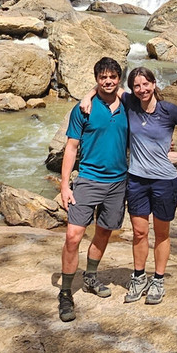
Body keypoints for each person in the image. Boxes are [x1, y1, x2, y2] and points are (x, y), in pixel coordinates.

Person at [81, 66, 177, 305]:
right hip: (137, 180)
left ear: (153, 84)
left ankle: (158, 279)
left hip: (164, 181)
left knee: (161, 234)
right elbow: (107, 86)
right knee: (139, 233)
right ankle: (139, 277)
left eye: (145, 84)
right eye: (137, 86)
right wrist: (87, 96)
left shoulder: (168, 110)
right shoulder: (130, 103)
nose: (142, 89)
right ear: (132, 89)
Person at [56, 56, 129, 323]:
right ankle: (65, 292)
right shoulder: (83, 109)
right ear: (96, 79)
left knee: (104, 232)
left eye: (112, 77)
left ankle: (91, 276)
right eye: (102, 77)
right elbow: (71, 148)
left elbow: (154, 109)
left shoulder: (128, 105)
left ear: (119, 79)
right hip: (88, 180)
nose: (108, 81)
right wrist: (65, 185)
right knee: (73, 236)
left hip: (118, 183)